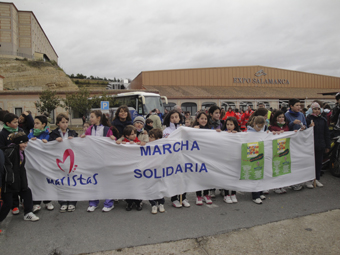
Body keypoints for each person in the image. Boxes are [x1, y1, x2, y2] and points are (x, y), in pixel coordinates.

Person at [0, 132, 39, 225]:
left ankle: (28, 213)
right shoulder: (11, 151)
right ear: (17, 142)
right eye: (23, 143)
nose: (25, 145)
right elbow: (6, 167)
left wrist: (23, 182)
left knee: (27, 192)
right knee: (7, 203)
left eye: (26, 143)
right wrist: (9, 181)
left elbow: (20, 168)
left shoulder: (20, 151)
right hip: (9, 182)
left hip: (18, 180)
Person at [81, 110, 114, 212]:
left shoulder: (107, 130)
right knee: (93, 181)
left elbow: (112, 143)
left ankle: (109, 203)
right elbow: (84, 142)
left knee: (107, 181)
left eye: (92, 117)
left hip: (105, 159)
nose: (90, 119)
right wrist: (81, 138)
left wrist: (113, 138)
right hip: (93, 159)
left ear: (98, 118)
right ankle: (93, 202)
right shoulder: (89, 130)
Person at [48, 113, 78, 212]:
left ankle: (72, 202)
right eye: (62, 122)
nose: (65, 124)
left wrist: (73, 140)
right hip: (59, 161)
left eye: (66, 122)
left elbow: (79, 144)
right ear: (58, 123)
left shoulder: (73, 133)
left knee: (71, 181)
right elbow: (49, 145)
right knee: (61, 182)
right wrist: (55, 141)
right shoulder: (53, 134)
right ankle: (63, 202)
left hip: (70, 161)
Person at [163, 109, 190, 208]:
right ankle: (174, 198)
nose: (174, 119)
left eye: (176, 117)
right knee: (174, 178)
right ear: (169, 119)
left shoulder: (184, 129)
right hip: (172, 158)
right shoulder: (166, 131)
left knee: (184, 178)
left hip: (183, 157)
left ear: (180, 118)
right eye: (172, 117)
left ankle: (183, 197)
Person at [28, 115, 53, 212]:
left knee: (45, 181)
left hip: (45, 162)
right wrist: (30, 140)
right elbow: (26, 143)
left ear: (43, 124)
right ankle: (36, 203)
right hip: (33, 162)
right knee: (35, 182)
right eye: (34, 123)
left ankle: (47, 201)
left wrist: (47, 142)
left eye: (37, 123)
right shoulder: (31, 133)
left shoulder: (48, 134)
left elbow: (52, 144)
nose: (35, 125)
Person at [116, 125, 143, 211]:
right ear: (127, 136)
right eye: (132, 134)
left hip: (136, 167)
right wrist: (122, 142)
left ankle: (138, 202)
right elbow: (117, 142)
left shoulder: (137, 141)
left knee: (137, 185)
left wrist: (137, 143)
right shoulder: (124, 141)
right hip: (127, 168)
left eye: (135, 133)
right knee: (129, 185)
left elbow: (143, 144)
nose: (134, 135)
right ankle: (129, 202)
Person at [306, 102, 330, 188]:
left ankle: (317, 179)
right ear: (311, 110)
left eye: (318, 109)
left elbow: (326, 133)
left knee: (319, 162)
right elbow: (305, 131)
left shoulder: (323, 120)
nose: (316, 111)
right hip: (311, 145)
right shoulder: (308, 118)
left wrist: (327, 145)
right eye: (314, 109)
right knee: (310, 163)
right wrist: (309, 127)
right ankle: (308, 180)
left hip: (321, 144)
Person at [285, 99, 307, 191]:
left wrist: (304, 127)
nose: (299, 107)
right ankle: (291, 182)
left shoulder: (301, 115)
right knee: (290, 161)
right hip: (290, 141)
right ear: (291, 106)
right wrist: (292, 123)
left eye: (300, 105)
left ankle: (298, 180)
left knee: (299, 160)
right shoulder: (286, 115)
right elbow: (285, 127)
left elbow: (305, 125)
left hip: (299, 141)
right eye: (297, 105)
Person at [192, 112, 213, 205]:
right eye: (202, 118)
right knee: (199, 177)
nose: (204, 120)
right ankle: (198, 195)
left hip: (207, 156)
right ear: (197, 119)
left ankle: (206, 194)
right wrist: (193, 130)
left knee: (206, 176)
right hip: (197, 157)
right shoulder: (194, 129)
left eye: (205, 119)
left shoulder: (210, 130)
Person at [247, 116, 268, 204]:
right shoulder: (249, 132)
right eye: (258, 127)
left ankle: (260, 191)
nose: (260, 129)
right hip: (252, 156)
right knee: (254, 175)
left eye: (262, 127)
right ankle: (255, 195)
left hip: (261, 155)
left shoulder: (263, 131)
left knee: (261, 174)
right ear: (254, 124)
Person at [268, 110, 290, 194]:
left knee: (283, 167)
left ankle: (282, 184)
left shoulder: (286, 126)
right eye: (279, 117)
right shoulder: (272, 127)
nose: (281, 119)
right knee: (276, 167)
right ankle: (275, 186)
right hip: (275, 150)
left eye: (282, 117)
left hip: (285, 150)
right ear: (275, 118)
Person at [146, 128, 166, 214]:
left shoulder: (162, 147)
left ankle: (161, 203)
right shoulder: (146, 146)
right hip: (150, 171)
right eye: (149, 137)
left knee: (159, 187)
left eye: (152, 137)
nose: (150, 139)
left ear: (158, 139)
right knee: (151, 187)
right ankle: (153, 204)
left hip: (159, 171)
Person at [221, 117, 240, 203]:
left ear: (235, 125)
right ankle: (226, 194)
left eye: (231, 124)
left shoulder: (239, 134)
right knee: (226, 176)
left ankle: (233, 193)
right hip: (226, 159)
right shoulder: (223, 133)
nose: (229, 126)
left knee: (234, 177)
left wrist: (237, 135)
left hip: (235, 159)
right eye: (227, 124)